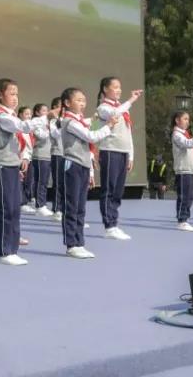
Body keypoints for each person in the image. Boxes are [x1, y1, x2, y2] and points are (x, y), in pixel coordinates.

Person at [0, 78, 46, 265]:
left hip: (12, 166)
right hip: (2, 166)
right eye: (11, 94)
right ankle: (5, 252)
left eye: (17, 94)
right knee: (6, 209)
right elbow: (23, 126)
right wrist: (46, 117)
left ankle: (12, 249)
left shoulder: (10, 115)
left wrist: (21, 160)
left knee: (14, 209)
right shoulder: (2, 116)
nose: (15, 98)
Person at [57, 87, 118, 259]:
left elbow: (91, 131)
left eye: (84, 100)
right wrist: (109, 126)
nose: (82, 103)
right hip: (72, 165)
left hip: (83, 165)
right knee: (72, 206)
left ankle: (79, 243)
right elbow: (91, 136)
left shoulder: (80, 121)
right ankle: (71, 245)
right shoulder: (69, 122)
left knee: (80, 208)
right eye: (78, 100)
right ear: (67, 103)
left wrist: (90, 172)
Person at [96, 77, 143, 240]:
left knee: (118, 190)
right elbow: (114, 114)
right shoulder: (103, 108)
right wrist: (131, 100)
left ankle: (114, 223)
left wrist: (131, 155)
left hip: (123, 152)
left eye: (120, 87)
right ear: (105, 89)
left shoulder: (123, 108)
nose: (119, 90)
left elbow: (128, 133)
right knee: (109, 189)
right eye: (115, 87)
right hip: (110, 151)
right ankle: (109, 226)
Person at [171, 111, 193, 232]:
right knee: (184, 196)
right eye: (185, 119)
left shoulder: (186, 134)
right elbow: (188, 144)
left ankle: (185, 219)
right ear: (177, 120)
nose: (187, 121)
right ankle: (182, 220)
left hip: (189, 170)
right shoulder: (177, 134)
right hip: (183, 170)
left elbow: (192, 154)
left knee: (190, 197)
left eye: (188, 119)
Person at [28, 103, 53, 216]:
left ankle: (42, 204)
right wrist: (49, 129)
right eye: (43, 111)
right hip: (40, 155)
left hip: (48, 154)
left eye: (47, 110)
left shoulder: (48, 123)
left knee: (44, 181)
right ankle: (40, 205)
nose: (46, 113)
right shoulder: (36, 123)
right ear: (37, 112)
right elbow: (42, 136)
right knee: (40, 181)